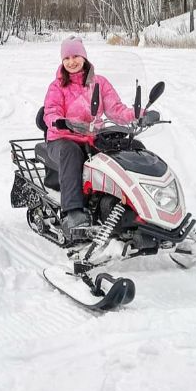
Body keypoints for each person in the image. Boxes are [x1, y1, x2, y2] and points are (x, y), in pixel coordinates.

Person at [43, 37, 158, 242]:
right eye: (67, 58)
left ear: (84, 57)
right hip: (62, 138)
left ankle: (143, 204)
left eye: (76, 56)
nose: (72, 62)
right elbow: (50, 111)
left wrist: (139, 114)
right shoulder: (57, 86)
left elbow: (116, 109)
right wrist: (59, 121)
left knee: (132, 147)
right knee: (72, 152)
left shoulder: (99, 82)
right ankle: (73, 211)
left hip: (90, 135)